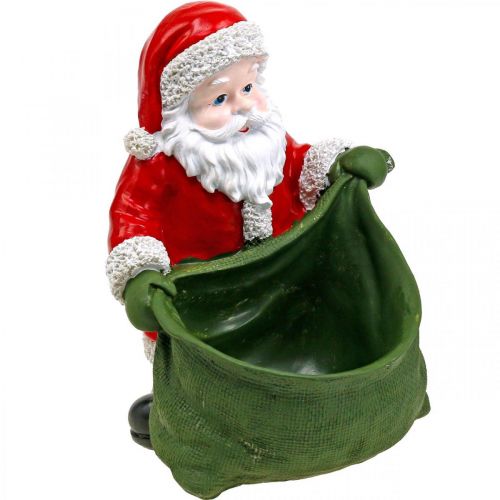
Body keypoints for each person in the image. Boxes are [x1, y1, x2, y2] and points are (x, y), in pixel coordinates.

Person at [106, 1, 393, 448]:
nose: (244, 107)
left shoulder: (266, 141)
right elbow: (133, 215)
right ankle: (188, 410)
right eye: (220, 98)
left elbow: (299, 166)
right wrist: (139, 273)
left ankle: (303, 406)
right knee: (200, 364)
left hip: (283, 281)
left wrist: (338, 165)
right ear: (179, 109)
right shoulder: (160, 165)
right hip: (206, 299)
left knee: (294, 337)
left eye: (249, 86)